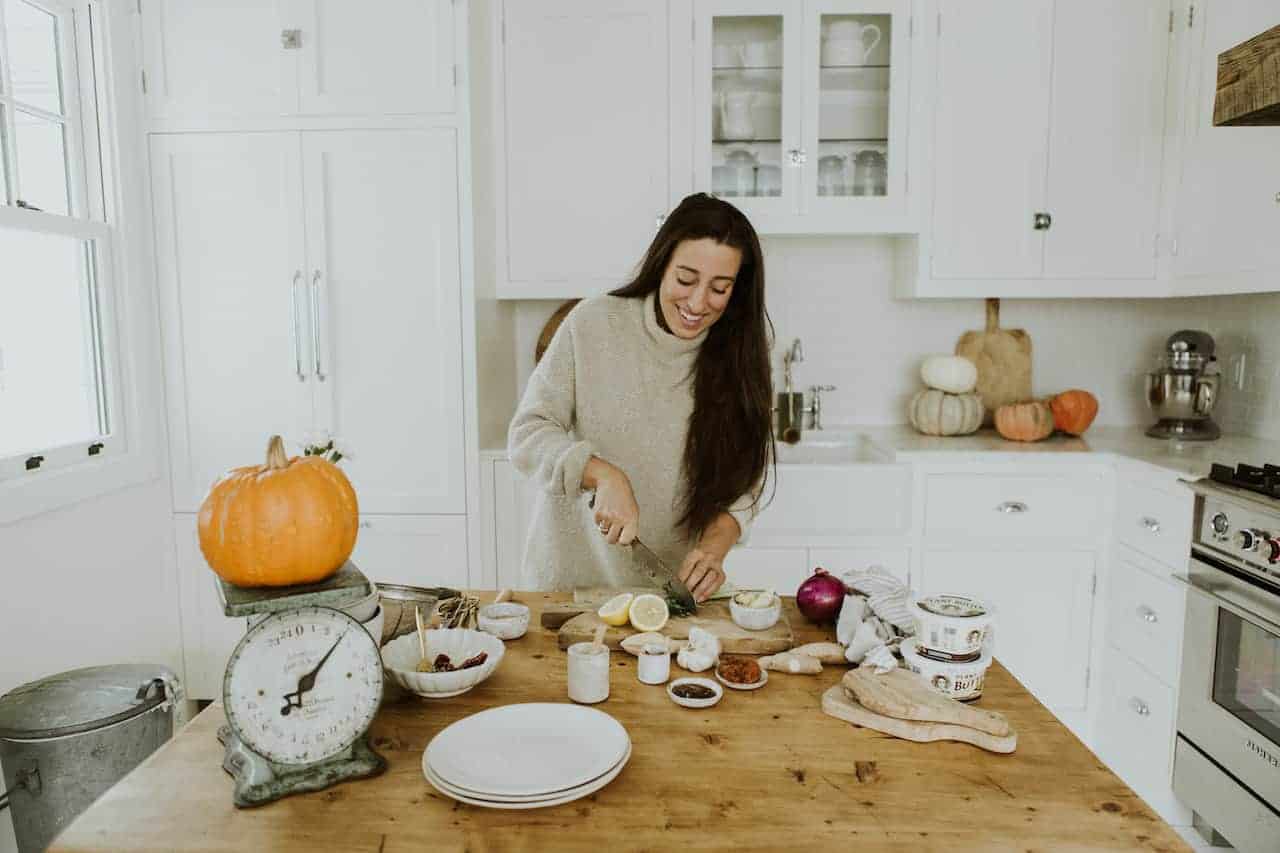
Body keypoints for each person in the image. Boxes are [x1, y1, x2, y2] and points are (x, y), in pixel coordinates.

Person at [508, 193, 774, 601]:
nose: (698, 302)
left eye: (719, 289)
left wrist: (714, 547)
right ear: (661, 264)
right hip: (567, 591)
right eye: (686, 280)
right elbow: (527, 434)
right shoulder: (593, 323)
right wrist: (602, 474)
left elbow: (746, 479)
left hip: (668, 597)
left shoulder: (741, 354)